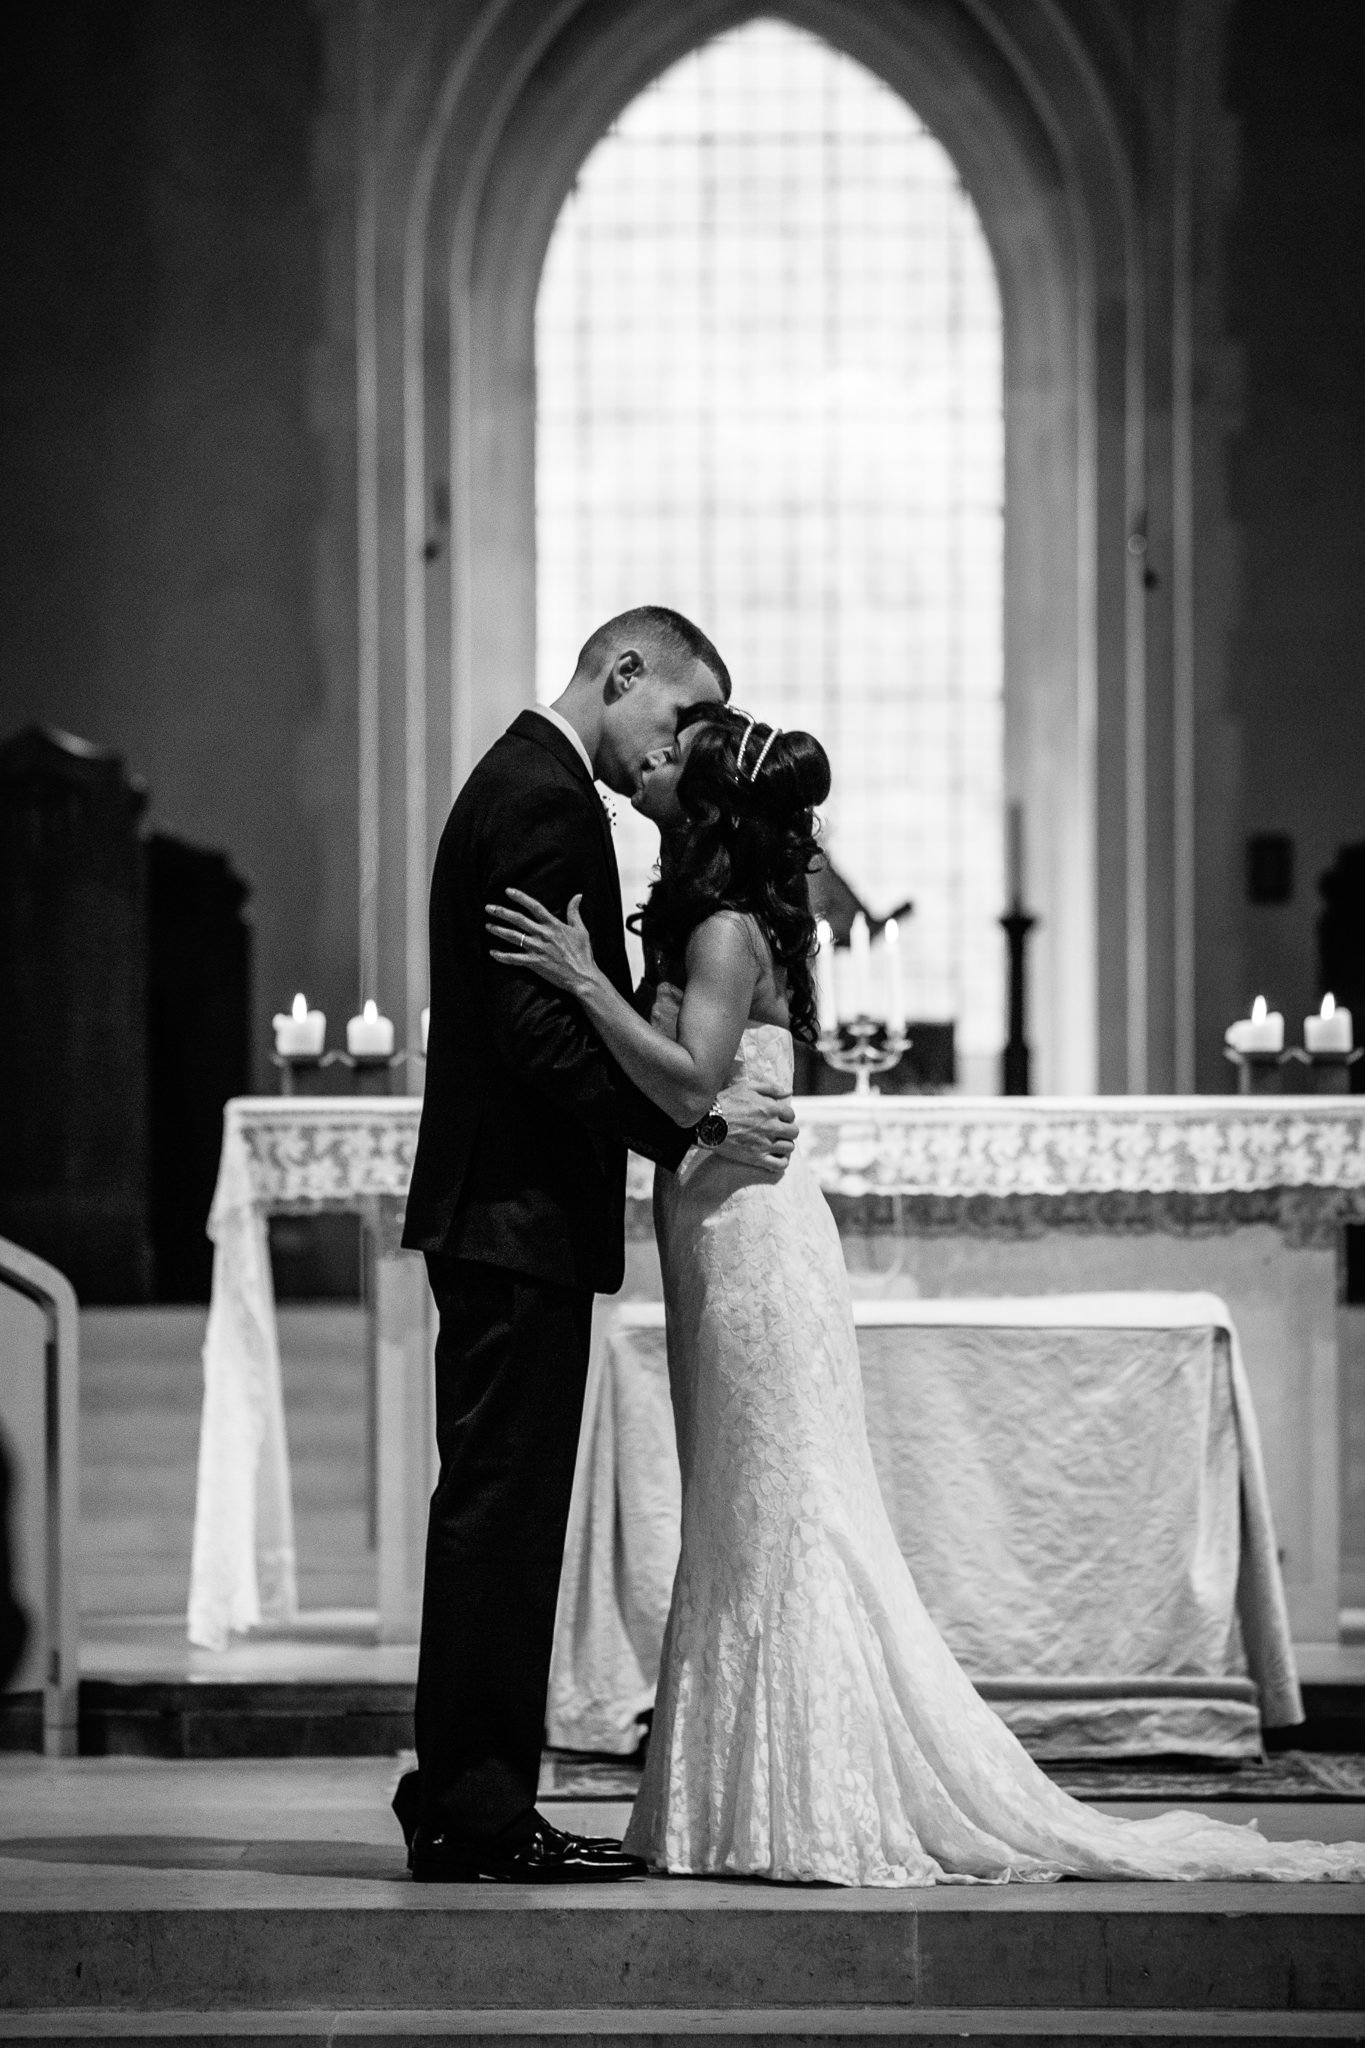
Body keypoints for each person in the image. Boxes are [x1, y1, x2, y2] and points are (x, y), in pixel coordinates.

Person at [487, 701, 1365, 1885]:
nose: (648, 766)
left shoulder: (728, 929)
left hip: (752, 1252)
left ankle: (800, 1799)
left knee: (776, 1519)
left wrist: (586, 983)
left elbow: (693, 1078)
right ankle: (733, 1798)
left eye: (670, 764)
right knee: (741, 1521)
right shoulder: (712, 918)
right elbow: (693, 1094)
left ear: (702, 807)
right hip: (720, 1234)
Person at [396, 610, 798, 1885]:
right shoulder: (545, 797)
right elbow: (540, 1033)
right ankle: (475, 1808)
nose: (675, 750)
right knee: (499, 1516)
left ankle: (462, 1794)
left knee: (498, 1511)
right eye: (677, 716)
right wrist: (686, 1119)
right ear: (622, 673)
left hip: (507, 1214)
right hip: (513, 1214)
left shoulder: (522, 781)